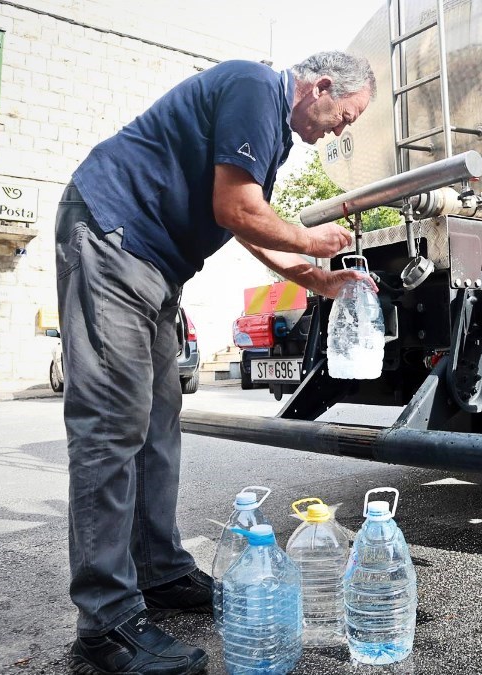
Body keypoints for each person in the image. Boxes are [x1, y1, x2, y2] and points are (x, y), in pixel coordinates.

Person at [54, 51, 375, 675]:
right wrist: (313, 239)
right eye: (345, 115)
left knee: (158, 427)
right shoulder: (256, 85)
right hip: (113, 233)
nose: (340, 130)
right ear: (322, 86)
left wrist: (316, 277)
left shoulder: (269, 136)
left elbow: (251, 229)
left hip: (151, 265)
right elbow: (239, 209)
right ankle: (106, 623)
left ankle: (159, 570)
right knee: (112, 428)